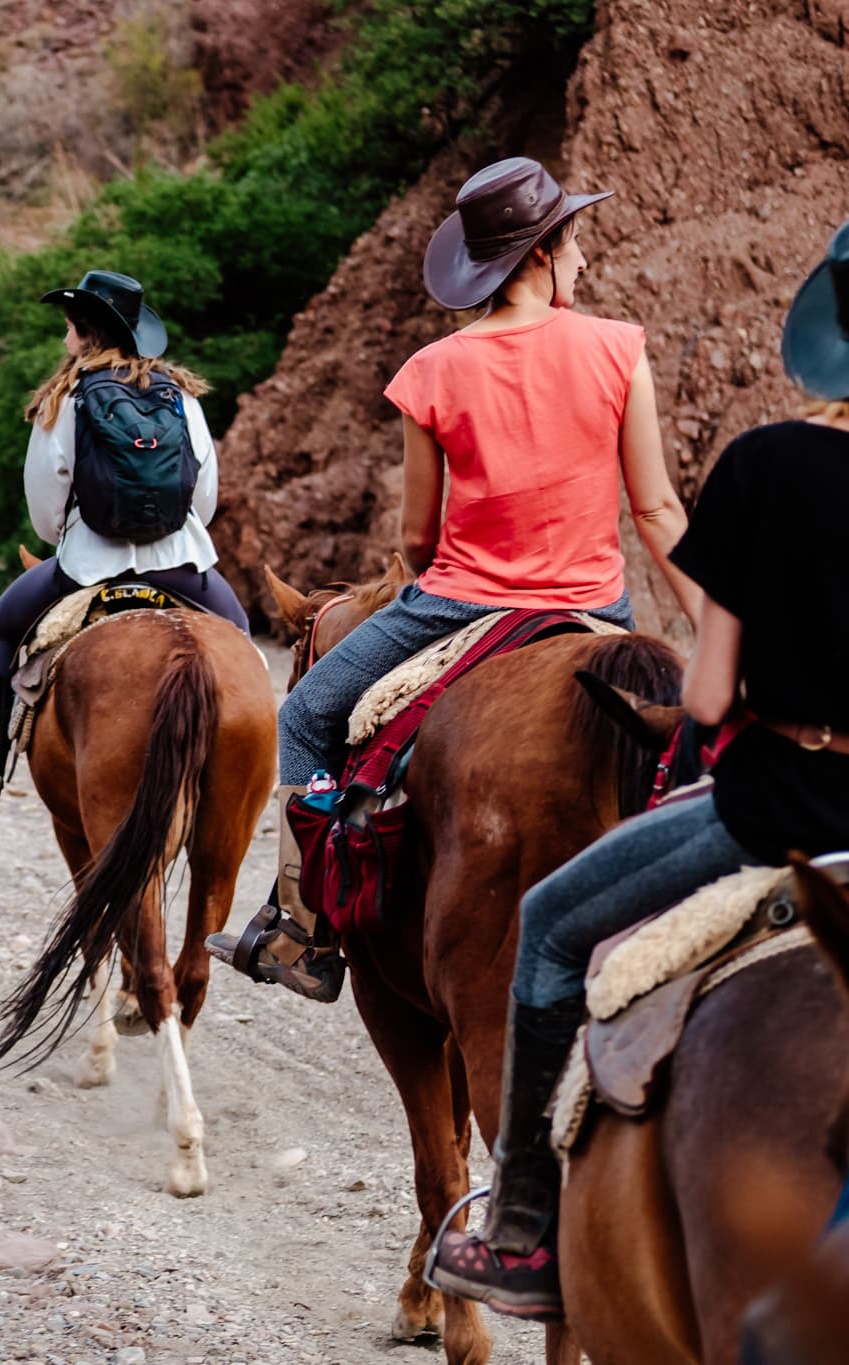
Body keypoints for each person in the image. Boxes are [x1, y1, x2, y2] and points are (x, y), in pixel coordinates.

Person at [427, 219, 849, 1321]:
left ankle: (520, 1230)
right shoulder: (614, 355)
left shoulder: (767, 466)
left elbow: (706, 699)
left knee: (555, 928)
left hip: (781, 809)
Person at [207, 156, 702, 1002]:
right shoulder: (621, 349)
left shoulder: (432, 370)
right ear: (542, 252)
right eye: (577, 242)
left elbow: (415, 534)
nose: (583, 261)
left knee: (309, 711)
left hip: (459, 603)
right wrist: (721, 619)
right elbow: (656, 511)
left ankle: (307, 929)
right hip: (595, 608)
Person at [0, 269, 250, 813]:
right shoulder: (182, 396)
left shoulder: (64, 399)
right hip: (178, 561)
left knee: (0, 627)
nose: (64, 339)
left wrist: (77, 535)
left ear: (85, 333)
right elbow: (202, 499)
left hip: (87, 566)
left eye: (69, 327)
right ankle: (247, 769)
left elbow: (45, 511)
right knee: (242, 646)